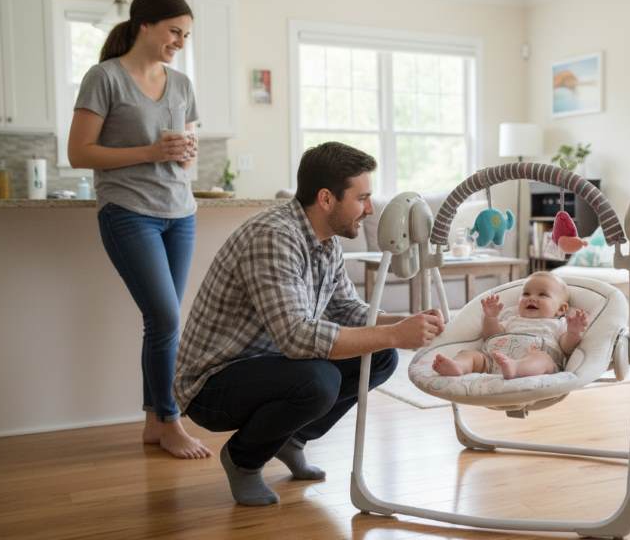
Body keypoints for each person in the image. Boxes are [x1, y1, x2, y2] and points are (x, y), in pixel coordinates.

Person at [174, 142, 445, 506]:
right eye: (362, 198)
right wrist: (394, 333)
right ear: (326, 199)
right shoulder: (273, 237)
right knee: (319, 381)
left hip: (267, 363)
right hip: (212, 384)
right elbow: (297, 338)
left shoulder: (326, 242)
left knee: (381, 356)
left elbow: (347, 309)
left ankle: (291, 439)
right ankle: (243, 459)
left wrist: (404, 323)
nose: (369, 209)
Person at [68, 0, 209, 459]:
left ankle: (154, 420)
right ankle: (171, 421)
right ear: (144, 25)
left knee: (163, 322)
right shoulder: (104, 78)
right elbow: (79, 152)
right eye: (174, 31)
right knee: (167, 317)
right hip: (128, 212)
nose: (180, 42)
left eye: (185, 34)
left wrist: (185, 153)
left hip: (180, 213)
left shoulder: (182, 84)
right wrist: (150, 151)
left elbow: (186, 159)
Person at [432, 272, 588, 380]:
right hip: (494, 361)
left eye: (542, 295)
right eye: (526, 294)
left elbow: (567, 347)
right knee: (470, 354)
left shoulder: (557, 324)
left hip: (533, 363)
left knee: (543, 359)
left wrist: (573, 333)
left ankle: (517, 368)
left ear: (561, 309)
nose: (531, 298)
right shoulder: (512, 319)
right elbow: (491, 335)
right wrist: (491, 318)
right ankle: (459, 366)